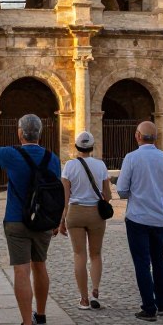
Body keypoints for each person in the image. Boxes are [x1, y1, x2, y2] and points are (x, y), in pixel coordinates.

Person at [0, 113, 61, 325]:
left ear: (20, 133)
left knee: (21, 270)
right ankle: (41, 315)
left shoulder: (11, 154)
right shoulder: (53, 158)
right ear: (40, 133)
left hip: (17, 220)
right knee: (41, 266)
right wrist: (57, 219)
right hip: (43, 221)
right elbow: (55, 189)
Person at [117, 120, 163, 322]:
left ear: (137, 135)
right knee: (159, 261)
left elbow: (122, 190)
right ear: (156, 137)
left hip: (137, 217)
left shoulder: (131, 158)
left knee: (142, 263)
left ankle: (148, 307)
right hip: (160, 218)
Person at [58, 130, 112, 310]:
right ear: (92, 147)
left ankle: (83, 299)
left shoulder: (69, 166)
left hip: (75, 212)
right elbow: (108, 195)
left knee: (79, 255)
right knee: (96, 254)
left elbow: (64, 198)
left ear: (76, 146)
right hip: (96, 212)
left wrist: (62, 219)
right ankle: (95, 291)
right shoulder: (101, 166)